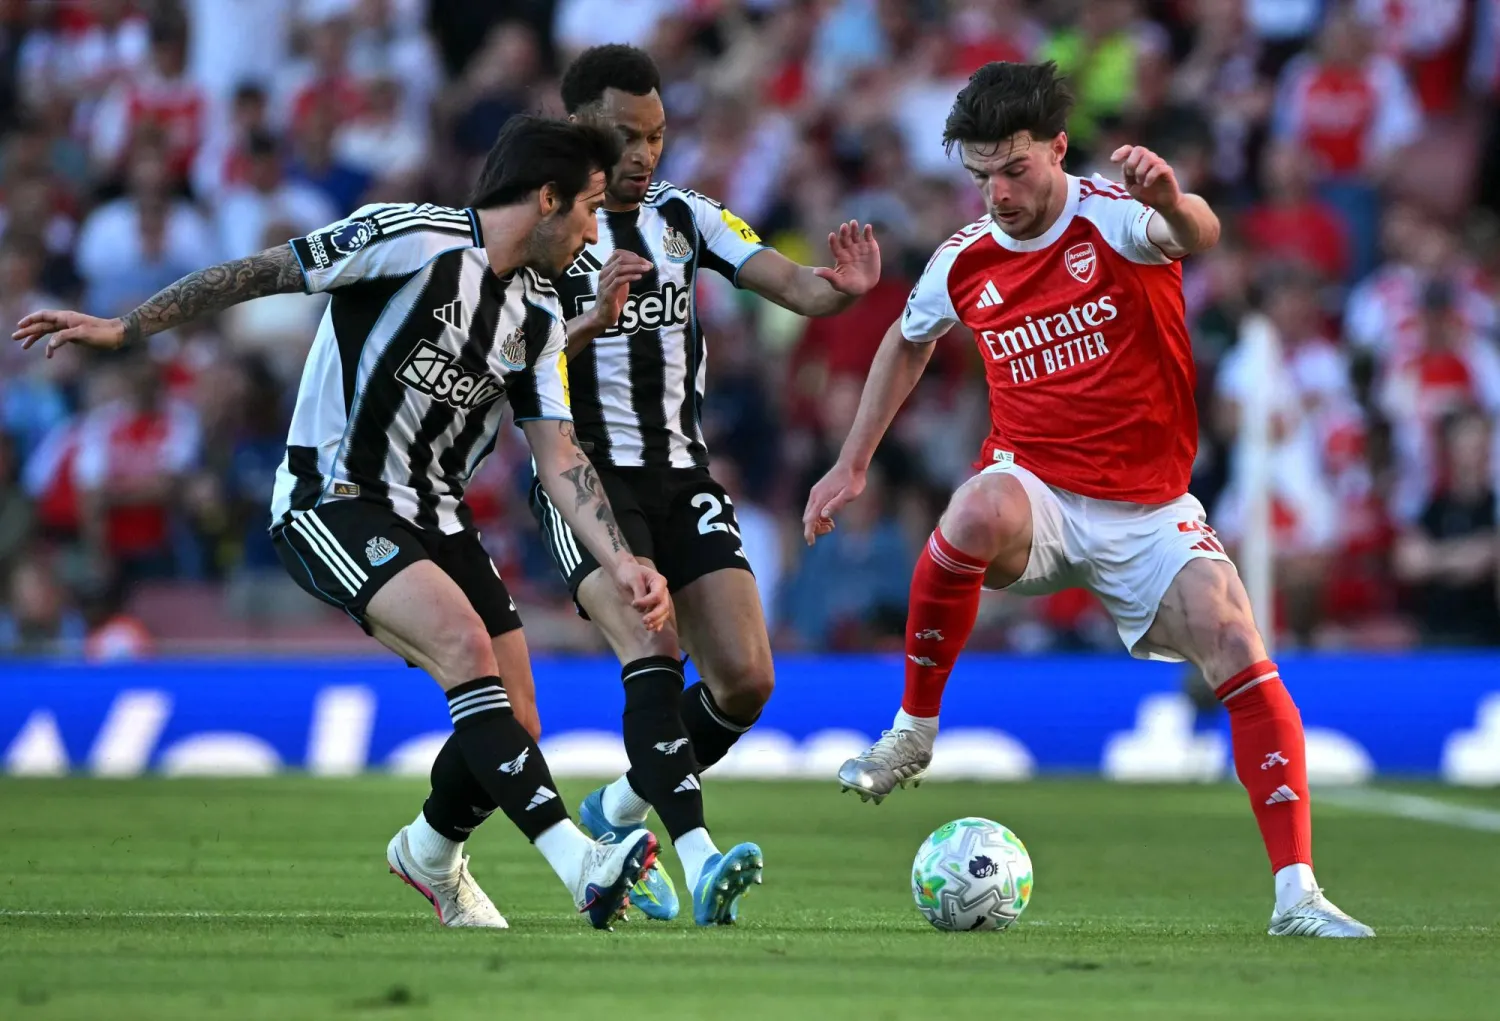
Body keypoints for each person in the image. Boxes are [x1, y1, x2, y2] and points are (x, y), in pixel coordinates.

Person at [13, 115, 671, 933]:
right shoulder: (408, 236)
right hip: (333, 498)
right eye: (589, 209)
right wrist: (128, 326)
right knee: (466, 649)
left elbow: (559, 454)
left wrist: (621, 559)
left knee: (518, 723)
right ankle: (579, 862)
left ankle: (429, 851)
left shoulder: (538, 315)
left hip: (438, 515)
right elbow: (260, 272)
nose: (593, 233)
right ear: (547, 197)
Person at [802, 61, 1373, 939]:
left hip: (1149, 511)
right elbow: (906, 340)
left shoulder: (1114, 217)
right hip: (1038, 493)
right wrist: (851, 464)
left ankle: (1298, 894)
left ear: (1058, 149)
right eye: (981, 175)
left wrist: (1172, 198)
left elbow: (1197, 232)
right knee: (974, 509)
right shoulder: (965, 259)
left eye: (1014, 168)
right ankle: (913, 730)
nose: (998, 193)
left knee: (1234, 639)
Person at [428, 44, 881, 926]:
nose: (643, 154)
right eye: (625, 136)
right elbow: (508, 365)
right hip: (587, 480)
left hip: (681, 472)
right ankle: (699, 854)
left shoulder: (685, 216)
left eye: (657, 135)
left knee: (746, 681)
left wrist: (843, 291)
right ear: (578, 129)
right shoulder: (541, 234)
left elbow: (793, 285)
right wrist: (590, 321)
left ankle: (622, 805)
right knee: (653, 643)